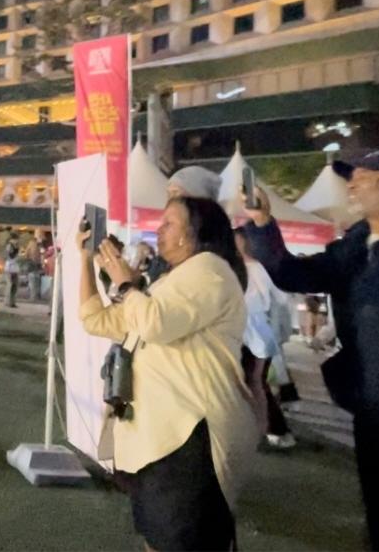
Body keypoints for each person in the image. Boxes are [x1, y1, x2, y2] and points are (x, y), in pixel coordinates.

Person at [241, 151, 379, 550]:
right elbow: (293, 274)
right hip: (371, 411)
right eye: (352, 175)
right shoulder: (354, 246)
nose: (353, 182)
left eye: (366, 174)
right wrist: (263, 224)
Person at [82, 196, 257, 551]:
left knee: (181, 540)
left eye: (168, 224)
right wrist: (86, 261)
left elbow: (155, 323)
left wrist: (126, 284)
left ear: (192, 233)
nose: (158, 231)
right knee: (159, 537)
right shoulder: (172, 281)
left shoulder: (210, 269)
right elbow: (97, 320)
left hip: (190, 437)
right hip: (163, 439)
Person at [232, 228, 295, 450]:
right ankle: (265, 429)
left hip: (254, 333)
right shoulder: (237, 268)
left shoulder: (256, 268)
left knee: (255, 383)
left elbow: (281, 298)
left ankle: (273, 429)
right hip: (246, 333)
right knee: (249, 383)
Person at [2, 231, 21, 309]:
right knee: (10, 285)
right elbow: (9, 256)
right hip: (9, 267)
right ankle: (7, 301)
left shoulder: (16, 246)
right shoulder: (9, 246)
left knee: (15, 285)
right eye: (17, 239)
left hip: (15, 268)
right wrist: (18, 255)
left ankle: (12, 301)